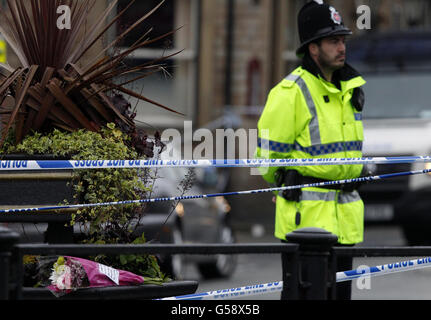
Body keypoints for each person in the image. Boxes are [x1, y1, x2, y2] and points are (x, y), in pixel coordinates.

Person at [255, 1, 366, 300]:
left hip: (345, 224)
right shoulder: (289, 93)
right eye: (333, 41)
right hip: (306, 227)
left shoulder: (349, 90)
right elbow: (265, 160)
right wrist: (285, 178)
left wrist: (358, 169)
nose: (341, 47)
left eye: (342, 40)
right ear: (312, 48)